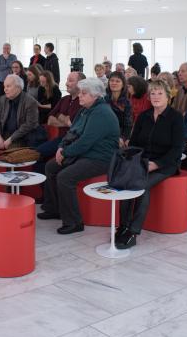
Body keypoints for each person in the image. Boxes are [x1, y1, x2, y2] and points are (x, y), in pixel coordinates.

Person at [38, 78, 120, 234]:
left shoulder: (102, 113)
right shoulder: (85, 109)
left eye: (84, 93)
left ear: (95, 95)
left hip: (100, 158)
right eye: (80, 92)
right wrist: (61, 147)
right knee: (50, 167)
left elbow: (85, 142)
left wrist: (65, 152)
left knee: (65, 177)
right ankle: (54, 208)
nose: (80, 96)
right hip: (85, 153)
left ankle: (74, 222)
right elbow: (72, 132)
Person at [117, 80, 185, 249]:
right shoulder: (144, 116)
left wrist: (156, 164)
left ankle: (133, 231)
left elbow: (177, 149)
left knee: (141, 185)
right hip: (143, 161)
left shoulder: (175, 118)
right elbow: (134, 143)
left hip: (165, 164)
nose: (155, 97)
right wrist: (133, 161)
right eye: (153, 93)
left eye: (160, 93)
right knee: (126, 181)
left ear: (168, 97)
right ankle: (123, 225)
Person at [34, 72, 85, 173]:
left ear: (81, 84)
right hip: (60, 139)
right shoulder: (64, 99)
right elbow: (50, 120)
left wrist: (59, 116)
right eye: (67, 80)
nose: (66, 83)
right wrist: (65, 120)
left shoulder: (83, 101)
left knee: (38, 153)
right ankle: (46, 186)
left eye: (70, 81)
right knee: (36, 153)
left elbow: (73, 124)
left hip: (71, 141)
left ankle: (49, 185)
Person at [0, 75, 40, 156]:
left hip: (21, 137)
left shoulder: (30, 102)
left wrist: (11, 139)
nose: (5, 89)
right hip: (3, 133)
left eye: (8, 86)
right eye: (4, 86)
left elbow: (30, 125)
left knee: (10, 156)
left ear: (18, 87)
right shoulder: (3, 99)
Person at [105, 71, 133, 147]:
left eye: (117, 81)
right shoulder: (104, 100)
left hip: (118, 135)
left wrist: (122, 138)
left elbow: (128, 125)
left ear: (123, 84)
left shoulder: (126, 103)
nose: (114, 83)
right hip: (103, 133)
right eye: (112, 80)